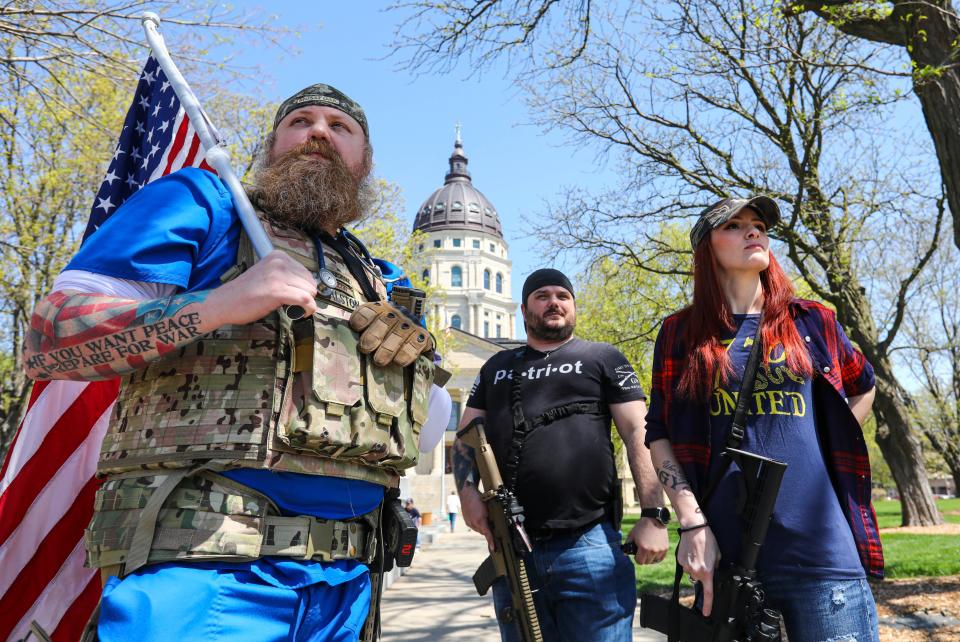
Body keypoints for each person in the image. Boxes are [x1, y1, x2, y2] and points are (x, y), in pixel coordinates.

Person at [23, 83, 437, 642]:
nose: (319, 131)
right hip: (205, 566)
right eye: (301, 121)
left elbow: (431, 432)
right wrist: (217, 305)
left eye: (340, 127)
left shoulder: (380, 278)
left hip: (348, 584)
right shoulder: (206, 205)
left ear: (364, 161)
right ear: (271, 145)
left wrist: (419, 368)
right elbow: (51, 337)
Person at [645, 197, 883, 641]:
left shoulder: (811, 321)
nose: (752, 231)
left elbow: (863, 384)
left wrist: (834, 444)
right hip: (728, 559)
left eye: (758, 224)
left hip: (823, 555)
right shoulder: (680, 333)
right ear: (706, 248)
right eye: (734, 226)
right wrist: (692, 523)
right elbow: (657, 432)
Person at [453, 268, 669, 642]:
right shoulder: (495, 369)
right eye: (542, 296)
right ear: (523, 309)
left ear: (573, 307)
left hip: (589, 546)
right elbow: (465, 437)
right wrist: (466, 493)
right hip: (514, 548)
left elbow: (639, 431)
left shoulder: (603, 358)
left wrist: (654, 514)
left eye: (562, 295)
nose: (554, 302)